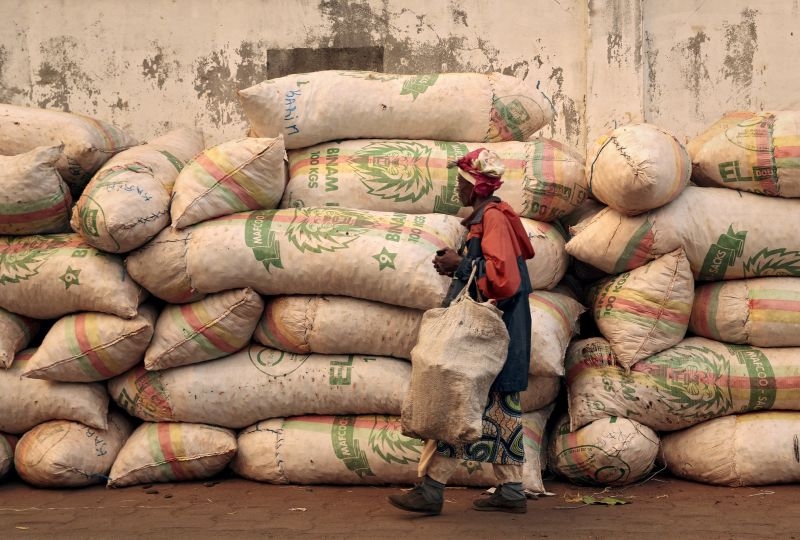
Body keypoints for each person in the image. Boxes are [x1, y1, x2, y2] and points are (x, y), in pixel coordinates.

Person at [388, 147, 535, 515]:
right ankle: (510, 490)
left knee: (459, 400)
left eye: (461, 182)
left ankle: (432, 490)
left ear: (476, 187)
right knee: (495, 409)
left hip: (493, 332)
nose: (457, 188)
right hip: (498, 330)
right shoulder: (489, 218)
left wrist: (462, 265)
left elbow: (504, 281)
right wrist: (461, 264)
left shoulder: (494, 219)